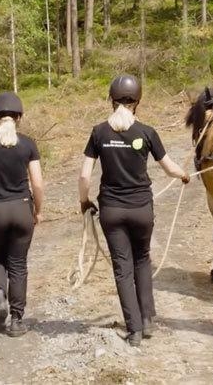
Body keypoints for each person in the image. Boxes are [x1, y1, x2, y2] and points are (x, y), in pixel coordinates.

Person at [78, 75, 190, 347]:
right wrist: (184, 176)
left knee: (122, 269)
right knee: (142, 260)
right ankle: (148, 318)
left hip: (112, 211)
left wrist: (84, 202)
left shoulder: (98, 132)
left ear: (111, 100)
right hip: (141, 209)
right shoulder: (147, 132)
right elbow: (169, 167)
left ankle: (135, 329)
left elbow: (84, 176)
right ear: (137, 102)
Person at [0, 92, 44, 337]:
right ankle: (16, 321)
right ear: (19, 117)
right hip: (22, 208)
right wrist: (38, 210)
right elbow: (38, 182)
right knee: (18, 265)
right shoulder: (28, 143)